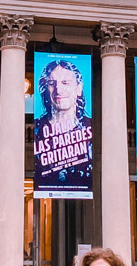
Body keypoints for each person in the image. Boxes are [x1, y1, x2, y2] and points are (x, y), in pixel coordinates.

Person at [34, 60, 93, 190]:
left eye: (65, 83)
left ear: (79, 88)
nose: (58, 90)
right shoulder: (37, 129)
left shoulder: (91, 127)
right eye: (51, 83)